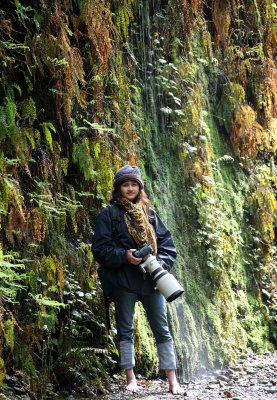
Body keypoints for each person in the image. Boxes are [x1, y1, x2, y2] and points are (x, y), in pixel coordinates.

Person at [91, 165, 184, 395]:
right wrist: (125, 256)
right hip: (123, 280)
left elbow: (168, 247)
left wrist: (160, 264)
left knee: (162, 329)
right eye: (125, 184)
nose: (130, 188)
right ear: (118, 188)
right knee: (125, 330)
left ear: (140, 187)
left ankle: (172, 380)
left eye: (134, 184)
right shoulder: (109, 214)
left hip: (152, 282)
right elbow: (100, 250)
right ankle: (130, 377)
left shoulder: (150, 214)